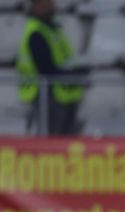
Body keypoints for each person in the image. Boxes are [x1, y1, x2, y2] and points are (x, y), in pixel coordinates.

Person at [16, 0, 85, 135]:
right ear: (36, 7)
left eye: (51, 4)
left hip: (64, 94)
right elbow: (46, 69)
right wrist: (73, 75)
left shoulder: (52, 30)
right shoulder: (36, 33)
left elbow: (65, 60)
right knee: (51, 141)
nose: (52, 8)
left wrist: (78, 71)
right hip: (48, 96)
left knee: (67, 143)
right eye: (46, 5)